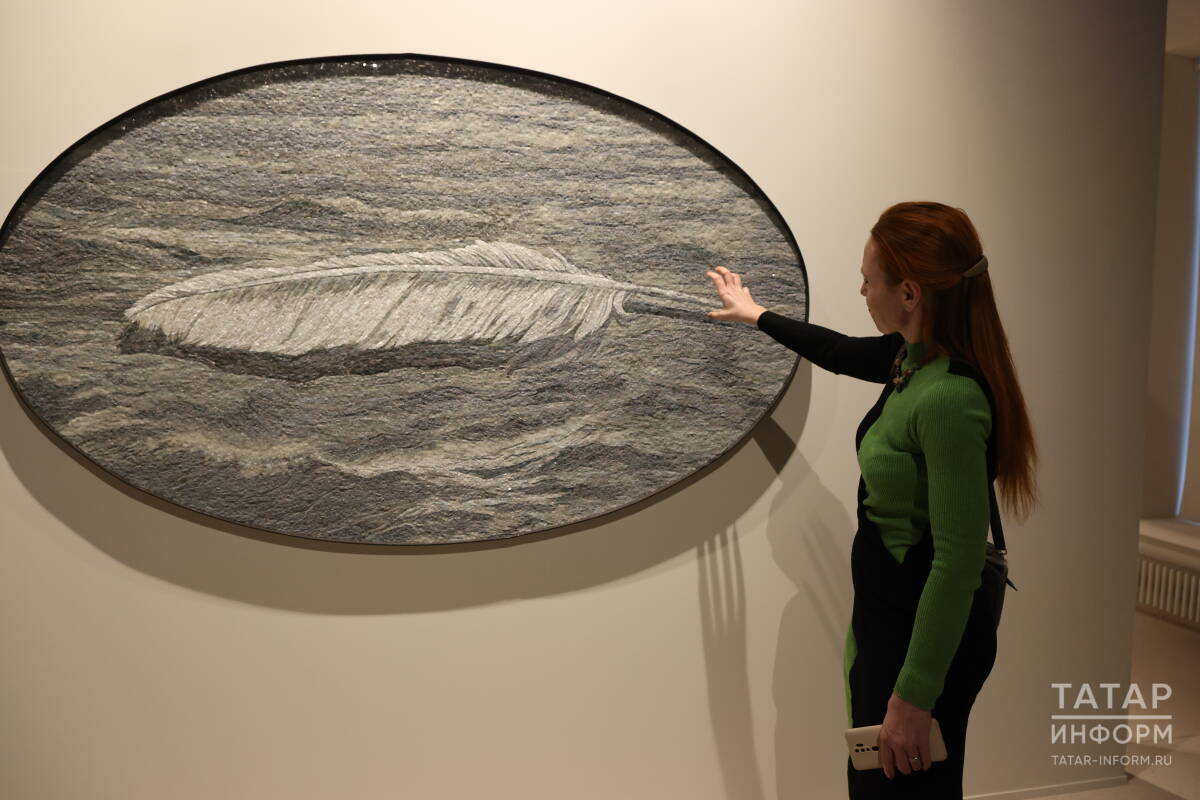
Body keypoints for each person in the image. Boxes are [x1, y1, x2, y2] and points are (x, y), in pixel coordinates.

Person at [704, 201, 1038, 799]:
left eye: (868, 280)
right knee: (878, 786)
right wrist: (755, 314)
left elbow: (957, 560)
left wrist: (914, 694)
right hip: (889, 618)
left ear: (909, 293)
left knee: (903, 791)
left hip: (920, 635)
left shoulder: (949, 397)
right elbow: (837, 351)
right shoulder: (910, 360)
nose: (861, 291)